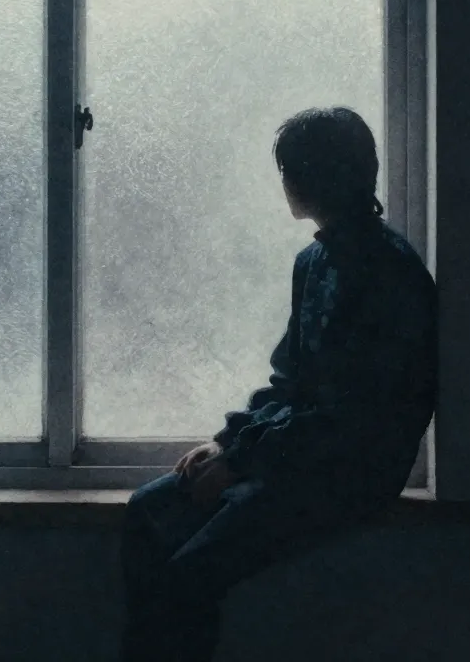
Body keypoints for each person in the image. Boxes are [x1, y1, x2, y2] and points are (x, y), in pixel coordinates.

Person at [118, 106, 438, 661]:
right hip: (300, 453)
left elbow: (356, 418)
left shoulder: (391, 273)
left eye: (290, 169)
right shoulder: (314, 261)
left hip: (350, 472)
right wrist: (229, 440)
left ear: (317, 176)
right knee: (147, 511)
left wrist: (243, 459)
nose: (284, 182)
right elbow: (292, 380)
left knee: (188, 578)